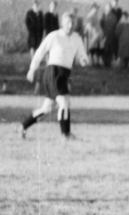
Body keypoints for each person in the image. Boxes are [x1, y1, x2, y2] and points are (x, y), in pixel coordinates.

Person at [21, 10, 88, 138]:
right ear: (62, 23)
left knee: (47, 109)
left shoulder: (76, 38)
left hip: (64, 74)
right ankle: (66, 134)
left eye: (72, 23)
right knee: (64, 102)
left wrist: (83, 60)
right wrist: (32, 69)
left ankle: (24, 126)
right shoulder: (54, 36)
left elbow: (82, 54)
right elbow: (40, 51)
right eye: (68, 22)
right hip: (53, 73)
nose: (70, 25)